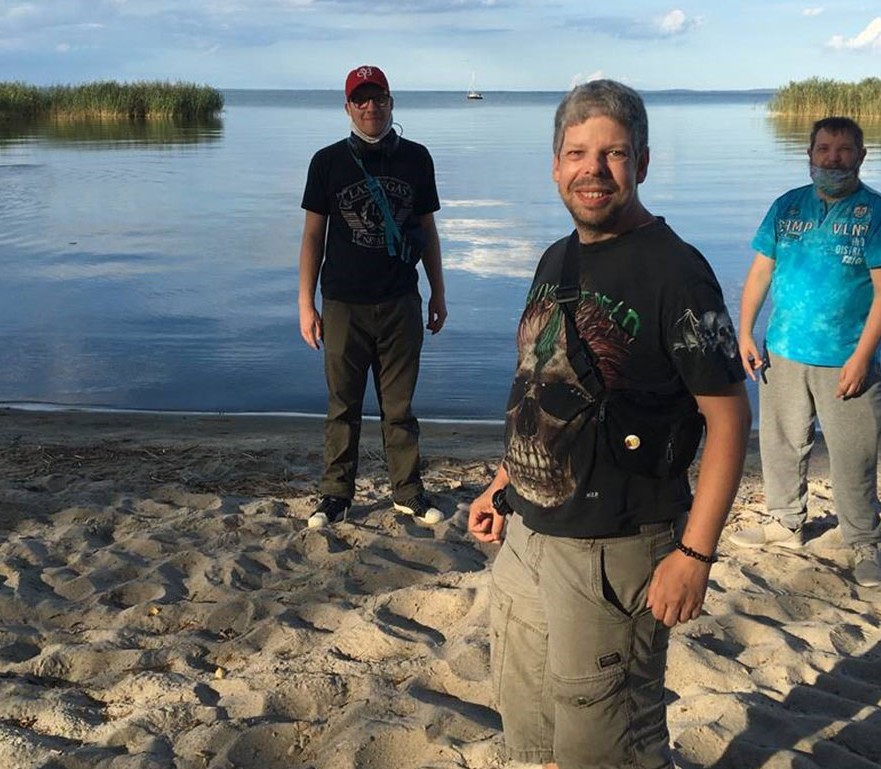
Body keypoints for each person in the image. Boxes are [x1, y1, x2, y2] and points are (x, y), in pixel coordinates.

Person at [467, 80, 750, 769]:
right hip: (530, 536)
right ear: (556, 166)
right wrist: (501, 485)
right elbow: (539, 386)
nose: (593, 169)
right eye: (577, 153)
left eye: (614, 153)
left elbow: (730, 419)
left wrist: (695, 554)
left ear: (642, 164)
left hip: (614, 552)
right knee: (536, 729)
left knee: (610, 742)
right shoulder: (555, 259)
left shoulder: (677, 274)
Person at [727, 116, 881, 588]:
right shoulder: (787, 207)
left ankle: (864, 541)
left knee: (853, 455)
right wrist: (745, 332)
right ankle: (786, 525)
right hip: (782, 350)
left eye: (844, 150)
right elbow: (761, 272)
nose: (833, 158)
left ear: (861, 156)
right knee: (781, 445)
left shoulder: (879, 214)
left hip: (846, 357)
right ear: (809, 156)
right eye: (824, 149)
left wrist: (863, 356)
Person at [297, 65, 448, 529]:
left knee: (399, 407)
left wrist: (438, 290)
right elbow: (312, 236)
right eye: (360, 99)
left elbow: (428, 231)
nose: (370, 107)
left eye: (377, 98)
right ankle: (336, 494)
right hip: (342, 302)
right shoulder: (327, 161)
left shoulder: (418, 159)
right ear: (348, 107)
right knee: (342, 406)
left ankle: (408, 492)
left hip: (401, 301)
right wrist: (306, 303)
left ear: (391, 103)